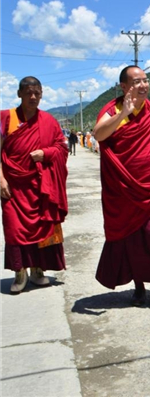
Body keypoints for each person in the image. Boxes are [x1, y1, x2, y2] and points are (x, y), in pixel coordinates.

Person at [93, 66, 150, 309]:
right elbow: (99, 135)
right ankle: (139, 288)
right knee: (132, 241)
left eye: (145, 80)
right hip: (126, 190)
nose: (143, 85)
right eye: (137, 82)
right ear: (124, 87)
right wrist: (123, 114)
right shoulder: (112, 109)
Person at [1, 76, 68, 294]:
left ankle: (38, 270)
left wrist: (46, 153)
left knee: (42, 226)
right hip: (12, 186)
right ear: (19, 94)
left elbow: (61, 147)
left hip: (40, 187)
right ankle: (19, 272)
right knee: (13, 228)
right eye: (28, 93)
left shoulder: (48, 120)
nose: (33, 97)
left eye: (37, 93)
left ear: (41, 94)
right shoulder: (6, 118)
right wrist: (0, 179)